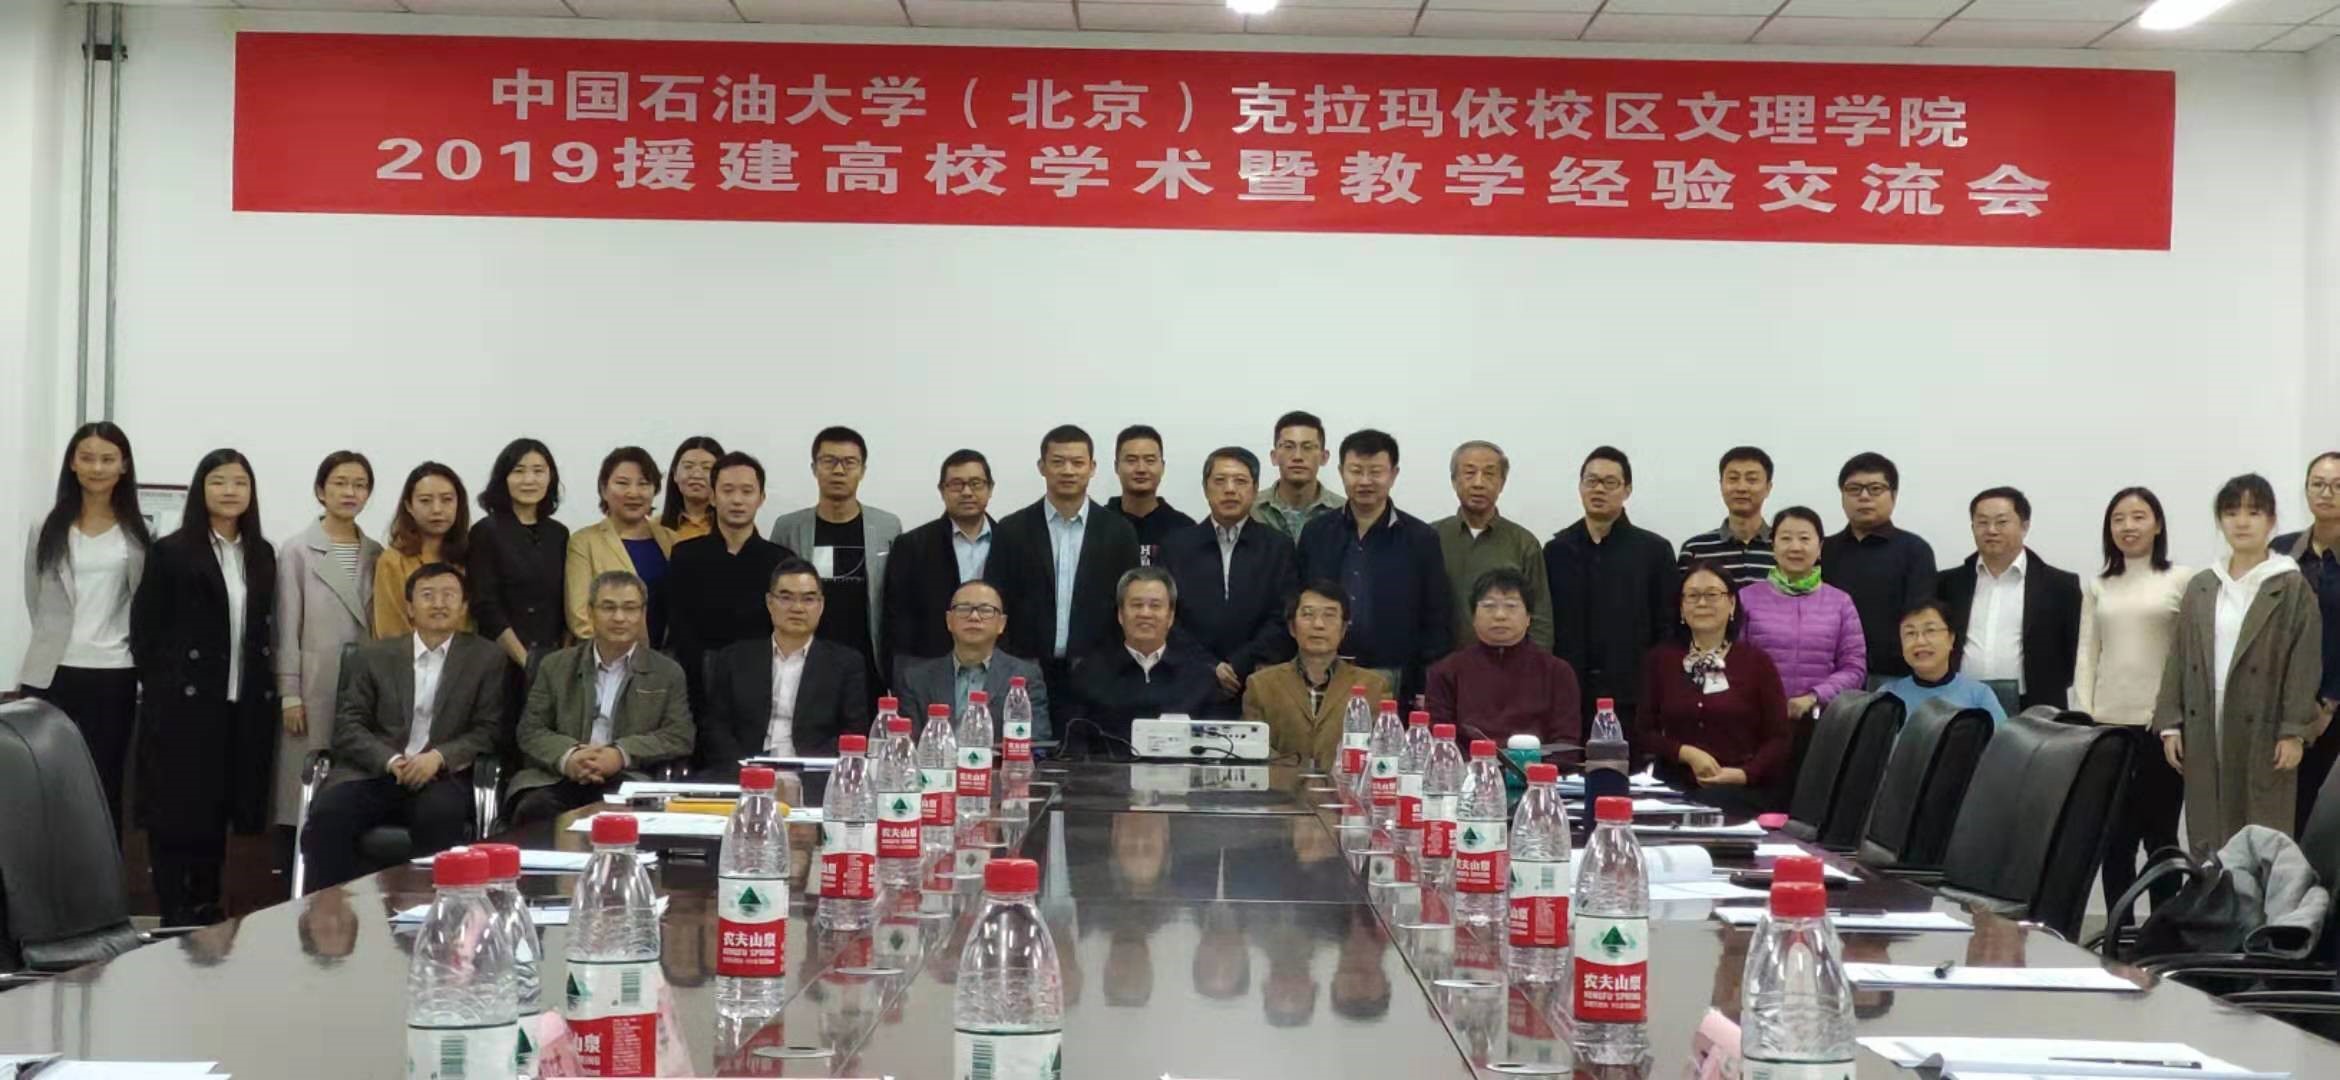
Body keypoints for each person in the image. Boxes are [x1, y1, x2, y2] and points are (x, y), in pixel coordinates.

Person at [130, 449, 278, 926]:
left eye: (240, 482)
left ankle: (207, 912)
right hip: (184, 704)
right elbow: (145, 630)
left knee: (219, 812)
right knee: (177, 812)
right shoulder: (171, 551)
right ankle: (175, 914)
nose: (230, 491)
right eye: (218, 481)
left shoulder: (261, 553)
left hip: (241, 703)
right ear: (201, 490)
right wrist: (164, 686)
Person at [300, 563, 506, 890]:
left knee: (440, 817)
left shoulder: (487, 659)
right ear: (409, 607)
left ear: (464, 606)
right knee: (329, 816)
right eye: (428, 595)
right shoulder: (374, 655)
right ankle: (330, 912)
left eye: (449, 595)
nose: (439, 603)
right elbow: (349, 725)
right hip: (375, 772)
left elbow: (488, 730)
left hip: (442, 776)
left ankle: (432, 911)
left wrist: (437, 757)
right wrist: (391, 760)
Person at [2156, 474, 2325, 853]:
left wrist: (2294, 730)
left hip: (2264, 721)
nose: (2242, 522)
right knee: (2208, 826)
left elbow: (2304, 663)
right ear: (2220, 521)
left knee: (2261, 827)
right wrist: (2170, 722)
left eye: (2253, 512)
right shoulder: (2203, 584)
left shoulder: (2289, 585)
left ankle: (2258, 893)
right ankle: (2212, 890)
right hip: (2205, 719)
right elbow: (2179, 655)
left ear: (2271, 520)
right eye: (2231, 513)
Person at [19, 422, 151, 838]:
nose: (97, 468)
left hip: (114, 671)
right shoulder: (46, 525)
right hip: (52, 671)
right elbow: (36, 599)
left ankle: (102, 876)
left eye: (108, 459)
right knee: (45, 781)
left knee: (103, 783)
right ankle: (45, 877)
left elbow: (143, 604)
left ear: (123, 466)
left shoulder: (139, 533)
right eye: (87, 458)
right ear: (72, 464)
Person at [2075, 487, 2192, 928]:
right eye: (2119, 519)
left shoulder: (2182, 579)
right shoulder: (2099, 585)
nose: (2128, 526)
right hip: (2108, 729)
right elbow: (2087, 655)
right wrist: (2086, 720)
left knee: (2161, 838)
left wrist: (2176, 719)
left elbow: (2189, 658)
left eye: (2139, 517)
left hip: (2163, 729)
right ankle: (2119, 933)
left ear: (2157, 524)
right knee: (2116, 840)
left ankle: (2163, 932)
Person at [510, 571, 695, 824]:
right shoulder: (554, 666)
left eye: (629, 608)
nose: (619, 617)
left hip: (628, 779)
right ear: (590, 612)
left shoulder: (667, 672)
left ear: (643, 614)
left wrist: (620, 754)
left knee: (622, 819)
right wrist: (570, 756)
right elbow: (531, 730)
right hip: (558, 778)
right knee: (534, 811)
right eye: (608, 607)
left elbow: (679, 735)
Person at [272, 451, 383, 847]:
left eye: (360, 485)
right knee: (304, 788)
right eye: (340, 483)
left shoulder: (377, 554)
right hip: (314, 683)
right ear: (321, 491)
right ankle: (297, 873)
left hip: (363, 683)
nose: (350, 492)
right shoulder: (297, 550)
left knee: (351, 786)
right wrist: (289, 692)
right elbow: (286, 625)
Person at [1295, 429, 1451, 702]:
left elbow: (1436, 615)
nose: (1365, 481)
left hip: (1393, 673)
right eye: (1356, 471)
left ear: (1393, 474)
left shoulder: (1421, 538)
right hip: (1322, 668)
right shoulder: (1316, 532)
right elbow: (1297, 597)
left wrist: (1424, 681)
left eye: (1376, 472)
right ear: (1341, 472)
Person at [992, 424, 1143, 695]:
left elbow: (1128, 602)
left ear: (1092, 468)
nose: (1068, 471)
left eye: (1077, 462)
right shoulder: (1011, 530)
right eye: (1058, 462)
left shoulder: (1119, 532)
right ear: (1041, 466)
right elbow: (997, 600)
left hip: (1098, 671)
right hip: (1023, 671)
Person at [1635, 561, 1792, 815]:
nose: (1702, 603)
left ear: (1732, 604)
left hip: (1741, 790)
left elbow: (1779, 739)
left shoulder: (1757, 663)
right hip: (1673, 789)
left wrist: (1743, 774)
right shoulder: (1660, 660)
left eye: (1712, 595)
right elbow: (1644, 732)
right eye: (1692, 596)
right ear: (1681, 608)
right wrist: (1685, 753)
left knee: (1713, 802)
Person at [768, 426, 899, 716]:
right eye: (829, 461)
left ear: (862, 470)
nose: (839, 470)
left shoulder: (888, 527)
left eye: (849, 462)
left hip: (868, 664)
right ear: (814, 468)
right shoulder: (788, 527)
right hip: (805, 661)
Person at [1544, 446, 1675, 732]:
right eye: (1591, 481)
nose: (1599, 489)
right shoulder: (1556, 551)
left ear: (1627, 490)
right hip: (1569, 694)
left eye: (1610, 482)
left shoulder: (1654, 551)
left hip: (1634, 695)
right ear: (1580, 487)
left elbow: (1667, 626)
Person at [698, 558, 869, 775]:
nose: (797, 608)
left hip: (814, 775)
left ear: (821, 605)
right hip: (744, 772)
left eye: (808, 599)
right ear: (769, 602)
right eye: (786, 598)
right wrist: (746, 771)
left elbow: (853, 733)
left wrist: (806, 772)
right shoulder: (733, 658)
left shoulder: (845, 663)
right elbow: (716, 728)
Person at [1161, 447, 1298, 705]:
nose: (1230, 489)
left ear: (1255, 490)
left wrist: (1238, 665)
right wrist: (1209, 666)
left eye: (1240, 481)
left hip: (1258, 679)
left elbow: (1283, 615)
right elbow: (1168, 617)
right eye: (1220, 481)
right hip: (1188, 681)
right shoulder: (1177, 546)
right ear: (1205, 489)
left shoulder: (1277, 547)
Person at [666, 451, 796, 711]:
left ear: (761, 498)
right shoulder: (685, 555)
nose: (737, 500)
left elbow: (786, 629)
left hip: (764, 685)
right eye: (728, 490)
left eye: (747, 491)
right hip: (698, 685)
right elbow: (679, 626)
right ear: (713, 497)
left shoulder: (780, 560)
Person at [1937, 486, 2083, 715]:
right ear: (1972, 527)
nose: (1991, 530)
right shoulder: (1948, 583)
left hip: (2034, 706)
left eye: (2002, 522)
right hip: (1961, 704)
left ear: (2025, 526)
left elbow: (2074, 654)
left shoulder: (2060, 585)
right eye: (1982, 522)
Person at [1065, 566, 1224, 749]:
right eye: (1136, 605)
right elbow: (1074, 750)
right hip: (1109, 767)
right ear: (1120, 615)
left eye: (1155, 606)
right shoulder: (1089, 674)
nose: (1145, 614)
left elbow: (1216, 750)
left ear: (1170, 616)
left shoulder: (1200, 677)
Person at [1242, 582, 1391, 770]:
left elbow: (1382, 754)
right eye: (1308, 614)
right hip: (1281, 787)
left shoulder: (1374, 687)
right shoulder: (1261, 685)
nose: (1318, 625)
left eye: (1329, 615)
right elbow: (1253, 750)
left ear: (1343, 629)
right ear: (1292, 627)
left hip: (1345, 786)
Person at [1737, 507, 1866, 723]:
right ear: (1773, 546)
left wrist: (1815, 696)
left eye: (1804, 538)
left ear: (1820, 547)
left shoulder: (1841, 602)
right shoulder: (1746, 598)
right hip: (1758, 718)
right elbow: (1733, 661)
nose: (1795, 547)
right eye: (1786, 538)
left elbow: (1854, 668)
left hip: (1823, 720)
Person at [1426, 569, 1581, 746]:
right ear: (1473, 617)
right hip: (1469, 763)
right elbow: (1441, 743)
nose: (1500, 615)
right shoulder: (1446, 672)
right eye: (1489, 606)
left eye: (1511, 606)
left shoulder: (1557, 672)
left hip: (1538, 763)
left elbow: (1566, 743)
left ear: (1528, 617)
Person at [1821, 452, 1938, 685]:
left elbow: (1919, 619)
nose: (1864, 497)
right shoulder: (1824, 550)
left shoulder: (1915, 550)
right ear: (1842, 496)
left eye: (1875, 489)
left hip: (1895, 677)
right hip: (1832, 675)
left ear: (1893, 495)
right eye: (1854, 489)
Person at [882, 449, 996, 673]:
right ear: (942, 490)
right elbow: (898, 620)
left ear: (990, 488)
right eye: (956, 484)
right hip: (930, 669)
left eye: (976, 483)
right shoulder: (912, 546)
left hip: (998, 670)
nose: (967, 492)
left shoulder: (1011, 542)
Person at [1433, 440, 1554, 651]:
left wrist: (1535, 665)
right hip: (1439, 664)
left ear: (1502, 483)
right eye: (1469, 473)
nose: (1478, 483)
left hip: (1506, 663)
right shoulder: (1429, 538)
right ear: (1454, 480)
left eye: (1489, 474)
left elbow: (1540, 619)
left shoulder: (1523, 543)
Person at [2273, 451, 2340, 829]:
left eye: (2338, 485)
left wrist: (2329, 702)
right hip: (2285, 708)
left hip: (2333, 705)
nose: (2327, 493)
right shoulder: (2281, 552)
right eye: (2318, 484)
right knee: (2287, 817)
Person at [897, 579, 1052, 740]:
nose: (974, 617)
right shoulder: (916, 679)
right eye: (964, 609)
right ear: (949, 621)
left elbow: (1037, 741)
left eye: (986, 610)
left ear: (1001, 624)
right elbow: (907, 744)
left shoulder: (1025, 676)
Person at [467, 438, 570, 667]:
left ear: (550, 477)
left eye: (538, 471)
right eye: (519, 471)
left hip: (553, 659)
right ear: (503, 478)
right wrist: (526, 661)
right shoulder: (485, 532)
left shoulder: (559, 534)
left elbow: (566, 603)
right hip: (500, 659)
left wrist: (560, 664)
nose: (529, 480)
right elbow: (485, 605)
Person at [564, 446, 676, 644]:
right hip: (610, 655)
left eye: (644, 484)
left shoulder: (672, 540)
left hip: (669, 656)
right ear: (603, 489)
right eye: (622, 483)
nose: (633, 493)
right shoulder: (584, 542)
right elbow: (580, 617)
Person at [373, 462, 470, 639]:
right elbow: (391, 632)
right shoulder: (393, 561)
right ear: (409, 506)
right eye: (425, 501)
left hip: (469, 655)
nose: (437, 509)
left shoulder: (472, 556)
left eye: (447, 499)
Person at [1875, 601, 2008, 725]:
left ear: (1951, 639)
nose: (1920, 641)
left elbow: (2002, 741)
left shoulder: (1979, 695)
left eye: (1930, 631)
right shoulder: (1887, 696)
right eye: (1910, 633)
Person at [1678, 447, 1778, 585]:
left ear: (1768, 488)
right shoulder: (1695, 549)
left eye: (1752, 480)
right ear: (1721, 485)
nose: (1741, 488)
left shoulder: (1786, 548)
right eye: (1733, 479)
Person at [1107, 424, 1197, 565]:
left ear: (1162, 467)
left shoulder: (1184, 529)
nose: (1141, 469)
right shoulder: (1097, 525)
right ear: (1116, 466)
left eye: (1150, 460)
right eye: (1131, 460)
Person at [1252, 410, 1344, 543]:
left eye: (1308, 447)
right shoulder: (1251, 510)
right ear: (1274, 456)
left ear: (1324, 457)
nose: (1298, 457)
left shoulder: (1344, 512)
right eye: (1288, 447)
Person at [659, 436, 724, 543]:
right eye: (688, 466)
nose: (696, 475)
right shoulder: (655, 528)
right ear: (675, 474)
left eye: (707, 468)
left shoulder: (734, 527)